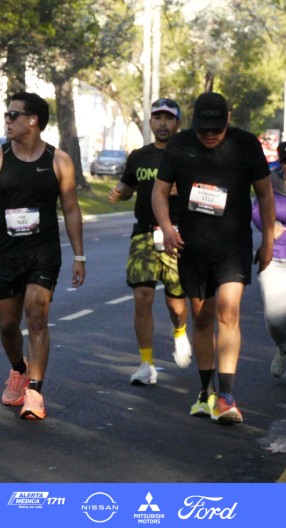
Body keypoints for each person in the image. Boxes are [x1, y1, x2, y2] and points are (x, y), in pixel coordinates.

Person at [0, 91, 85, 421]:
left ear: (32, 120)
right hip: (8, 252)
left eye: (13, 115)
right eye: (7, 114)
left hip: (43, 251)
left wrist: (79, 256)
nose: (7, 120)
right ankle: (19, 369)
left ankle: (35, 392)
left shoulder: (59, 161)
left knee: (36, 315)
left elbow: (71, 209)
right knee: (9, 325)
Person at [152, 91, 275, 424]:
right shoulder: (179, 145)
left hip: (233, 245)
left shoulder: (246, 145)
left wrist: (267, 240)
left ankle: (227, 396)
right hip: (192, 247)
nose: (209, 135)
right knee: (202, 318)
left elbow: (265, 194)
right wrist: (167, 227)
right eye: (203, 129)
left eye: (216, 129)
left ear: (228, 120)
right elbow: (159, 192)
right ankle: (206, 391)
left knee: (228, 311)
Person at [108, 97, 191, 385]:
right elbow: (129, 185)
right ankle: (146, 364)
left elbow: (202, 190)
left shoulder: (187, 155)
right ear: (150, 122)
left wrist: (179, 190)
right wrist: (120, 192)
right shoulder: (139, 156)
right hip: (144, 233)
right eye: (157, 118)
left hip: (177, 234)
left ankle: (179, 331)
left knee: (176, 303)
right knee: (142, 296)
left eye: (168, 118)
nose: (162, 123)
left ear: (178, 123)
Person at [253, 140, 286, 388]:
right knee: (275, 318)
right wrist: (269, 225)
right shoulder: (270, 182)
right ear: (280, 164)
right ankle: (284, 348)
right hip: (276, 257)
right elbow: (257, 210)